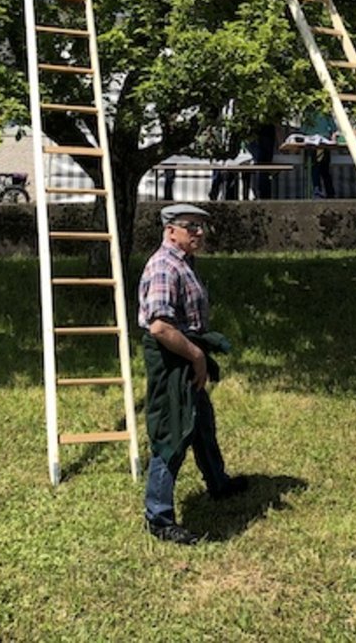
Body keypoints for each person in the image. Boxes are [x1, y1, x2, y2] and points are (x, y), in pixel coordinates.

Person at [138, 204, 248, 545]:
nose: (199, 233)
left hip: (184, 352)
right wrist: (197, 355)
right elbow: (159, 327)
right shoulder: (163, 266)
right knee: (172, 433)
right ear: (170, 230)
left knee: (201, 422)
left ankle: (218, 483)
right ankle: (158, 518)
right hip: (173, 357)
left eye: (202, 226)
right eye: (191, 226)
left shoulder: (183, 262)